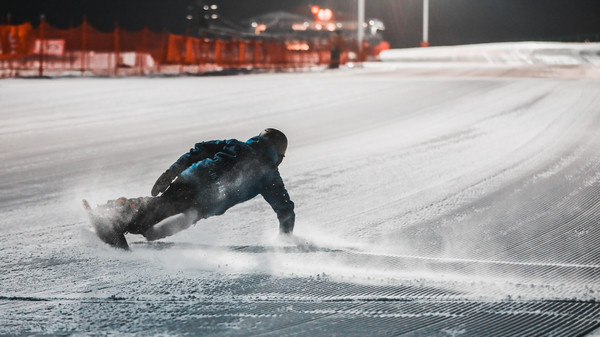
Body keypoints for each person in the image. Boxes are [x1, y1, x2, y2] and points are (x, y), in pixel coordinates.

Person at [93, 128, 295, 250]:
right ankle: (113, 219)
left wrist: (171, 173)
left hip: (195, 187)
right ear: (279, 155)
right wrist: (285, 236)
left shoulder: (237, 146)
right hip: (200, 196)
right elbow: (285, 208)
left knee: (156, 223)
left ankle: (118, 215)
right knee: (158, 213)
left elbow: (197, 151)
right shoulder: (270, 177)